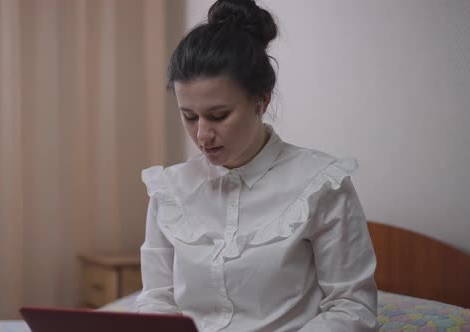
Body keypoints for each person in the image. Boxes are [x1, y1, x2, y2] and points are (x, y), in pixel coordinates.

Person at [134, 0, 378, 331]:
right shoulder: (171, 191)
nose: (202, 134)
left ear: (261, 100)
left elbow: (352, 307)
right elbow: (156, 299)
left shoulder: (320, 185)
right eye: (189, 116)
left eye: (219, 115)